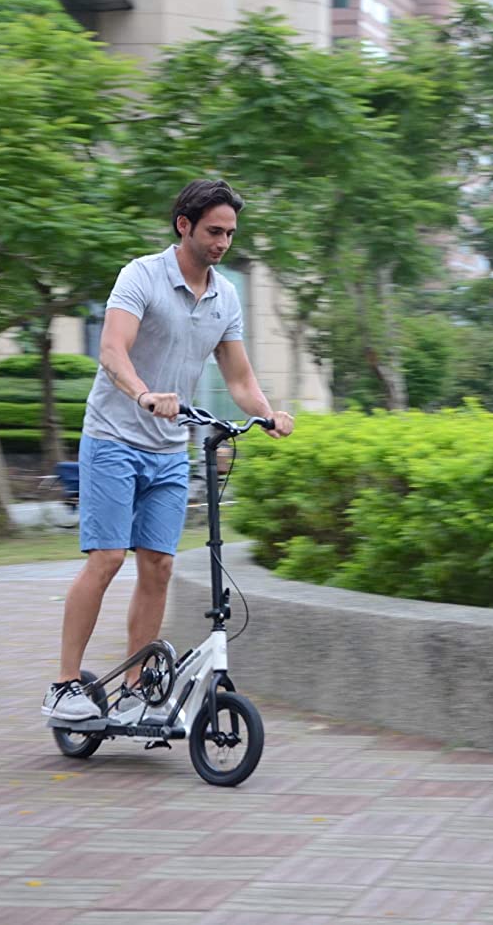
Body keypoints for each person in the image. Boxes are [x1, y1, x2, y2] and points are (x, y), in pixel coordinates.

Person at [41, 179, 294, 723]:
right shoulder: (141, 276)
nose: (223, 242)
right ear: (184, 225)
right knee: (108, 558)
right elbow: (112, 350)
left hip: (169, 448)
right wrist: (144, 395)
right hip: (113, 437)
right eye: (214, 231)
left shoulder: (225, 297)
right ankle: (63, 685)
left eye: (230, 233)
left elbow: (239, 378)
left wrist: (267, 413)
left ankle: (136, 690)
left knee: (158, 565)